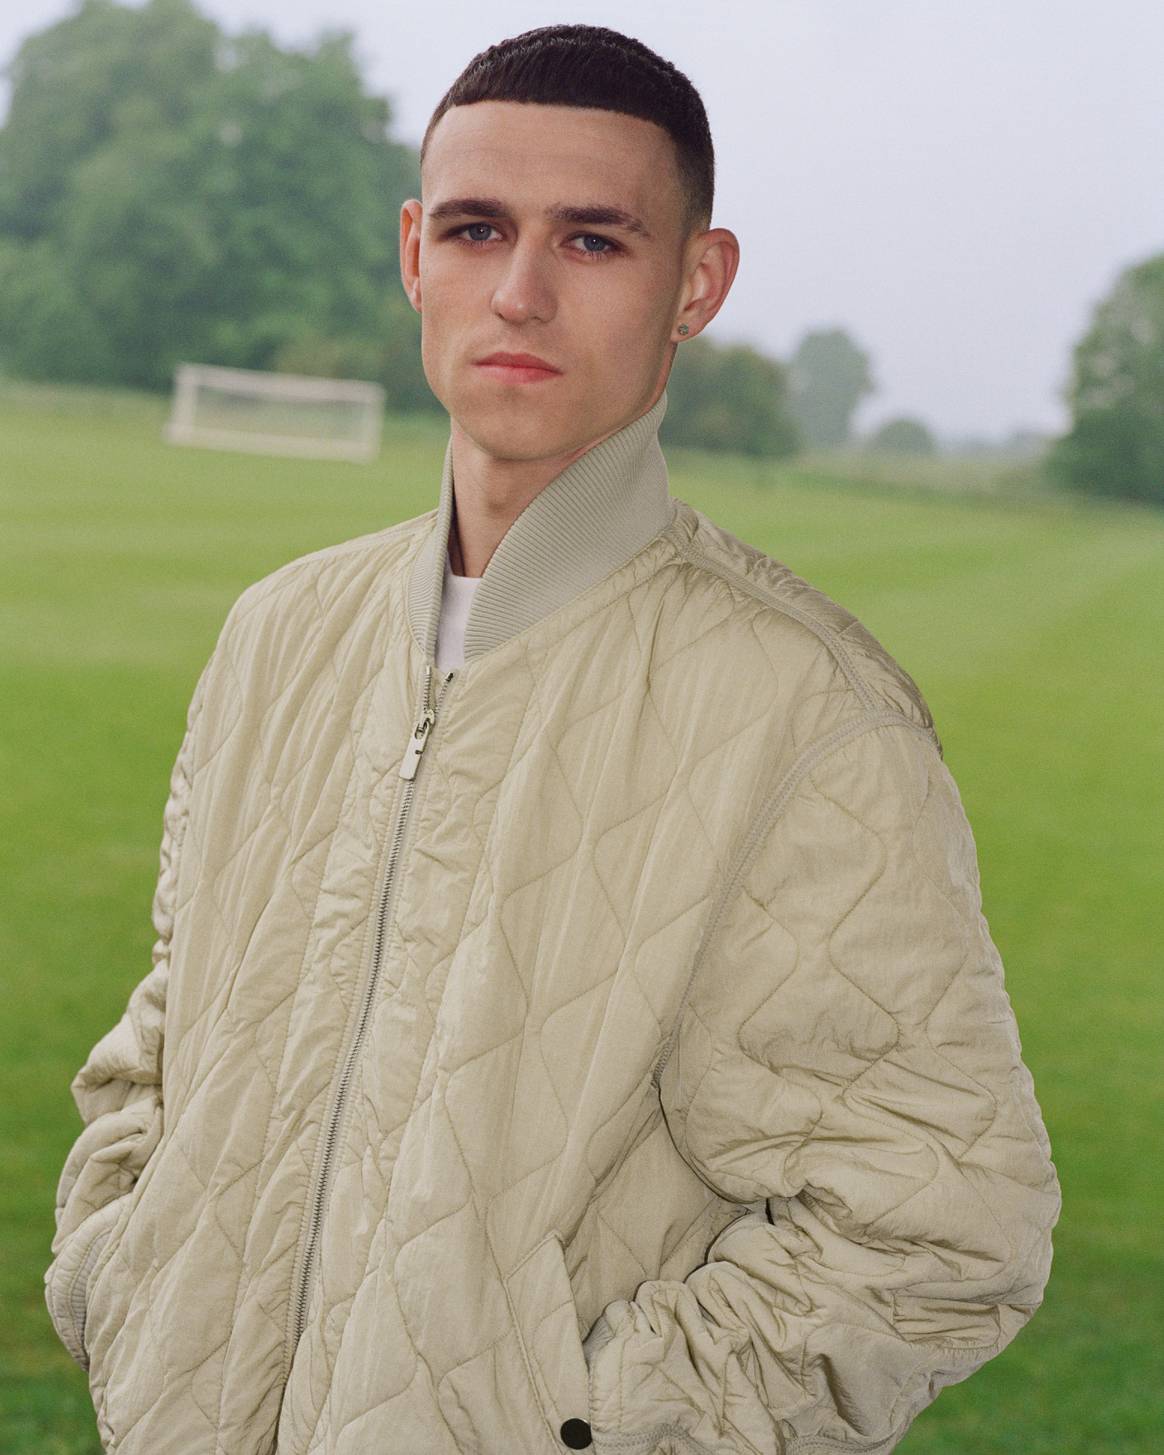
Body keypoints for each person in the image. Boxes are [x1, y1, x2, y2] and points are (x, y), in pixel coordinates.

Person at [44, 23, 1060, 1455]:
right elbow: (164, 1037)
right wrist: (121, 1268)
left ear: (696, 282)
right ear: (414, 253)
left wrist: (589, 1425)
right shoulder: (277, 634)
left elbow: (947, 1220)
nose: (516, 292)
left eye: (592, 242)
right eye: (475, 230)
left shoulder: (809, 712)